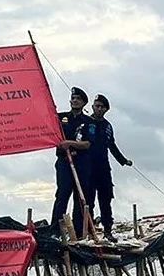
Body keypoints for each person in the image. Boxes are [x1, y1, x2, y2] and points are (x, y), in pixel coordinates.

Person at [82, 94, 132, 242]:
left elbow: (112, 146)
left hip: (103, 167)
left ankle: (108, 230)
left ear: (106, 109)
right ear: (92, 107)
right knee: (88, 201)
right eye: (96, 106)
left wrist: (123, 161)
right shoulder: (85, 122)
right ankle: (90, 231)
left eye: (102, 107)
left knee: (106, 199)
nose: (99, 109)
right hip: (87, 167)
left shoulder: (107, 126)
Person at [50, 87, 94, 237]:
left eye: (78, 99)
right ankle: (55, 230)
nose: (75, 101)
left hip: (81, 162)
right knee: (62, 194)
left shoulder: (88, 122)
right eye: (73, 98)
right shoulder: (60, 118)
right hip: (64, 162)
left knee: (80, 197)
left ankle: (79, 231)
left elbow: (88, 143)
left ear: (83, 103)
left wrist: (70, 143)